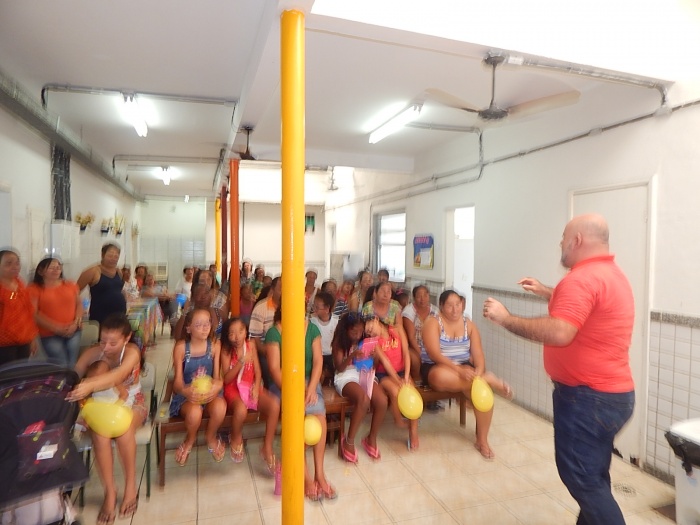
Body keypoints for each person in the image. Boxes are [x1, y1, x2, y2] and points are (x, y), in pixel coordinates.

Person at [483, 213, 635, 525]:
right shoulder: (610, 274)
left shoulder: (581, 279)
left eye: (563, 239)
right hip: (613, 396)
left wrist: (506, 318)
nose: (560, 245)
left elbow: (561, 331)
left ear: (576, 240)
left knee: (583, 480)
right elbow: (586, 306)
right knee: (593, 477)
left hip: (587, 399)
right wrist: (546, 291)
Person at [69, 314, 147, 525]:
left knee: (124, 430)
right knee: (100, 435)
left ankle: (130, 486)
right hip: (100, 407)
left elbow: (119, 375)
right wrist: (77, 394)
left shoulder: (132, 352)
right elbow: (73, 376)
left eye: (113, 343)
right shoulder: (92, 352)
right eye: (103, 341)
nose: (106, 347)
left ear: (126, 338)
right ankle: (110, 491)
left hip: (132, 402)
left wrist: (90, 384)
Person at [421, 290, 511, 460]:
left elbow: (478, 355)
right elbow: (434, 354)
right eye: (450, 305)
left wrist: (479, 371)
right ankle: (487, 379)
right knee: (440, 377)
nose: (455, 309)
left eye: (458, 304)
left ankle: (482, 441)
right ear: (441, 306)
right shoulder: (433, 322)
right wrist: (459, 370)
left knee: (484, 395)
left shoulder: (469, 325)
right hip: (437, 367)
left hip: (465, 369)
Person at [265, 306, 337, 501]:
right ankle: (306, 478)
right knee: (298, 417)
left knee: (319, 415)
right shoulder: (274, 333)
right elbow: (274, 370)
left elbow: (318, 362)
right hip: (285, 384)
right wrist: (295, 391)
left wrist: (311, 388)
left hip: (308, 382)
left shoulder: (311, 329)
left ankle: (319, 474)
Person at [169, 308, 227, 466]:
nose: (204, 328)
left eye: (207, 323)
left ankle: (210, 436)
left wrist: (217, 387)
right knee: (194, 413)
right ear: (188, 328)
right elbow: (177, 383)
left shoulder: (215, 345)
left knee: (220, 407)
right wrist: (186, 391)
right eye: (199, 324)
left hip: (209, 395)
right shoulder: (181, 348)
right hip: (188, 397)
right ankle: (190, 439)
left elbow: (217, 378)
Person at [220, 317, 279, 471]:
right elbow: (226, 379)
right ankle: (235, 436)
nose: (237, 336)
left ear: (246, 331)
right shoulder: (226, 351)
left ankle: (267, 447)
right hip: (233, 388)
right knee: (241, 410)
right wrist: (241, 361)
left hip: (250, 386)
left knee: (274, 405)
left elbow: (258, 371)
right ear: (227, 336)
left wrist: (256, 386)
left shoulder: (251, 345)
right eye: (232, 333)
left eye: (240, 331)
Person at [332, 312, 388, 462]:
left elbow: (374, 365)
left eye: (360, 331)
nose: (357, 335)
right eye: (353, 332)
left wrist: (374, 357)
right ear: (346, 330)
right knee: (363, 400)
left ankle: (371, 438)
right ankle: (349, 441)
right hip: (345, 375)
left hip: (364, 372)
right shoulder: (339, 342)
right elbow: (339, 368)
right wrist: (351, 356)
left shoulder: (366, 339)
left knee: (382, 401)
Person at [365, 314, 419, 451]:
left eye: (370, 328)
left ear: (376, 319)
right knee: (395, 391)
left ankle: (413, 432)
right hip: (384, 375)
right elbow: (385, 362)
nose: (370, 333)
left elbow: (406, 353)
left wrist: (406, 376)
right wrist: (397, 380)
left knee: (411, 391)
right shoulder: (374, 341)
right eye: (368, 333)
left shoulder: (397, 329)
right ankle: (398, 421)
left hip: (402, 371)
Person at [28, 257, 83, 368]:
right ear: (40, 271)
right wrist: (56, 328)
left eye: (58, 267)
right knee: (60, 364)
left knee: (72, 363)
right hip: (49, 334)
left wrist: (75, 323)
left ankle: (73, 380)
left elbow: (79, 305)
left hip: (73, 330)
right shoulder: (34, 288)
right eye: (51, 267)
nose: (56, 270)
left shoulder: (70, 285)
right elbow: (34, 313)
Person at [0, 249, 39, 366]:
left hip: (24, 340)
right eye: (8, 263)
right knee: (7, 374)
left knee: (21, 372)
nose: (15, 267)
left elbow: (28, 313)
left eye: (17, 263)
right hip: (4, 343)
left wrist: (32, 338)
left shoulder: (20, 283)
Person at [77, 243, 127, 326]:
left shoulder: (119, 272)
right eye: (110, 256)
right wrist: (79, 310)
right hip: (100, 315)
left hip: (119, 315)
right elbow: (74, 291)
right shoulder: (93, 271)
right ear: (103, 255)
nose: (113, 259)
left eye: (116, 256)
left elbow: (118, 291)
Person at [402, 285, 438, 384]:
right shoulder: (409, 311)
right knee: (416, 360)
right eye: (419, 296)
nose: (422, 299)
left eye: (425, 295)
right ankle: (418, 382)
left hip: (431, 346)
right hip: (414, 346)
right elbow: (411, 337)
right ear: (414, 297)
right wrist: (421, 353)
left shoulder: (435, 311)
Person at [249, 276, 281, 387]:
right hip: (267, 350)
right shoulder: (261, 307)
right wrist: (268, 353)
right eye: (281, 288)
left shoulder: (292, 307)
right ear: (272, 290)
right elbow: (255, 339)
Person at [309, 291, 339, 386]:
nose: (314, 309)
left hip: (331, 355)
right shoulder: (311, 321)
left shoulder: (336, 322)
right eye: (314, 306)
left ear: (327, 309)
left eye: (317, 307)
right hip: (317, 355)